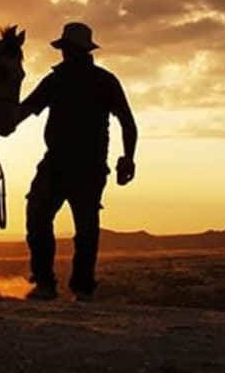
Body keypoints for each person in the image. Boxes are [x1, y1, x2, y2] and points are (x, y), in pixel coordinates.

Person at [15, 22, 137, 300]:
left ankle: (53, 285)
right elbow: (128, 124)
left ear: (71, 50)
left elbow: (25, 110)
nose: (64, 54)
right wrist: (128, 159)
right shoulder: (100, 81)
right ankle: (73, 288)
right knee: (74, 224)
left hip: (74, 164)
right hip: (79, 165)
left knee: (51, 219)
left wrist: (128, 158)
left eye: (66, 49)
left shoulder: (65, 81)